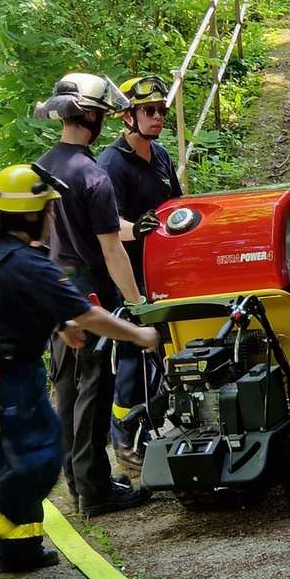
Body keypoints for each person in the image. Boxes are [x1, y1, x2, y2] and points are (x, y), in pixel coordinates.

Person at [0, 164, 160, 579]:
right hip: (1, 374)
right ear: (30, 215)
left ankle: (19, 549)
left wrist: (59, 324)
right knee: (39, 461)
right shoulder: (27, 261)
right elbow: (88, 312)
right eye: (47, 208)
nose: (52, 216)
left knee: (19, 457)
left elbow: (7, 302)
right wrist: (139, 334)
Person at [33, 73, 153, 517]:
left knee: (65, 387)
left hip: (53, 285)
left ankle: (78, 481)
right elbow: (110, 249)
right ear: (90, 116)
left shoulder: (43, 167)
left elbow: (81, 228)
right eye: (102, 114)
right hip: (91, 293)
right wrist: (138, 303)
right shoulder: (93, 175)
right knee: (93, 390)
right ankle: (96, 488)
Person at [97, 75, 183, 470]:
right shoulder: (111, 164)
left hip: (163, 273)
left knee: (163, 350)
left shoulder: (161, 155)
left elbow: (178, 205)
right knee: (132, 352)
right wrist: (137, 228)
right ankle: (123, 437)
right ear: (127, 117)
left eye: (161, 111)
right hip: (129, 275)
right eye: (148, 111)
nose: (157, 117)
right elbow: (107, 224)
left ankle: (150, 426)